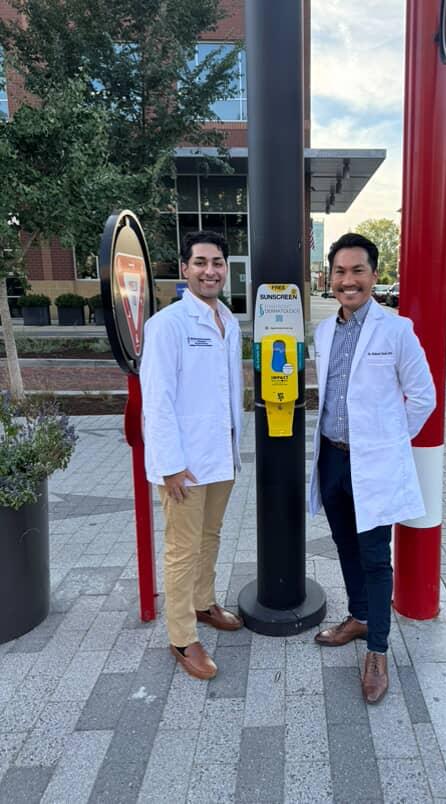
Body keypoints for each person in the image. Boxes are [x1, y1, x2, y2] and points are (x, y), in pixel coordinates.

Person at [308, 232, 436, 704]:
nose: (348, 280)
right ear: (331, 278)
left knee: (376, 557)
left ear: (374, 276)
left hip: (372, 463)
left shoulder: (396, 330)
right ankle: (359, 617)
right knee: (344, 544)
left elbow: (424, 397)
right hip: (332, 459)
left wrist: (386, 442)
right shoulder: (324, 331)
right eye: (339, 272)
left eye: (357, 271)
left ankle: (378, 651)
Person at [140, 230, 243, 681]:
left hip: (221, 456)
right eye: (200, 262)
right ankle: (182, 637)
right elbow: (156, 401)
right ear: (184, 269)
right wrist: (170, 466)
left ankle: (203, 604)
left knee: (210, 537)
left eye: (217, 262)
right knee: (182, 549)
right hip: (183, 465)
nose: (210, 270)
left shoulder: (230, 321)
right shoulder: (167, 325)